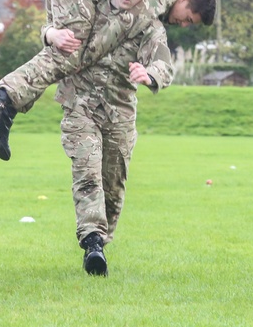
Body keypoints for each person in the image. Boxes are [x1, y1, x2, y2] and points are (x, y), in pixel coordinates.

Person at [0, 0, 215, 161]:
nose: (183, 25)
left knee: (65, 46)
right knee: (72, 52)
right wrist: (80, 56)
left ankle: (7, 110)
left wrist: (50, 33)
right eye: (188, 18)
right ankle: (0, 98)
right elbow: (113, 29)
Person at [60, 20, 174, 276]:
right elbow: (56, 23)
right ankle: (92, 241)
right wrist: (49, 33)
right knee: (87, 173)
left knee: (113, 185)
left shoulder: (149, 24)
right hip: (80, 106)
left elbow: (162, 60)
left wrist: (150, 74)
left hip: (119, 114)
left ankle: (100, 243)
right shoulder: (93, 8)